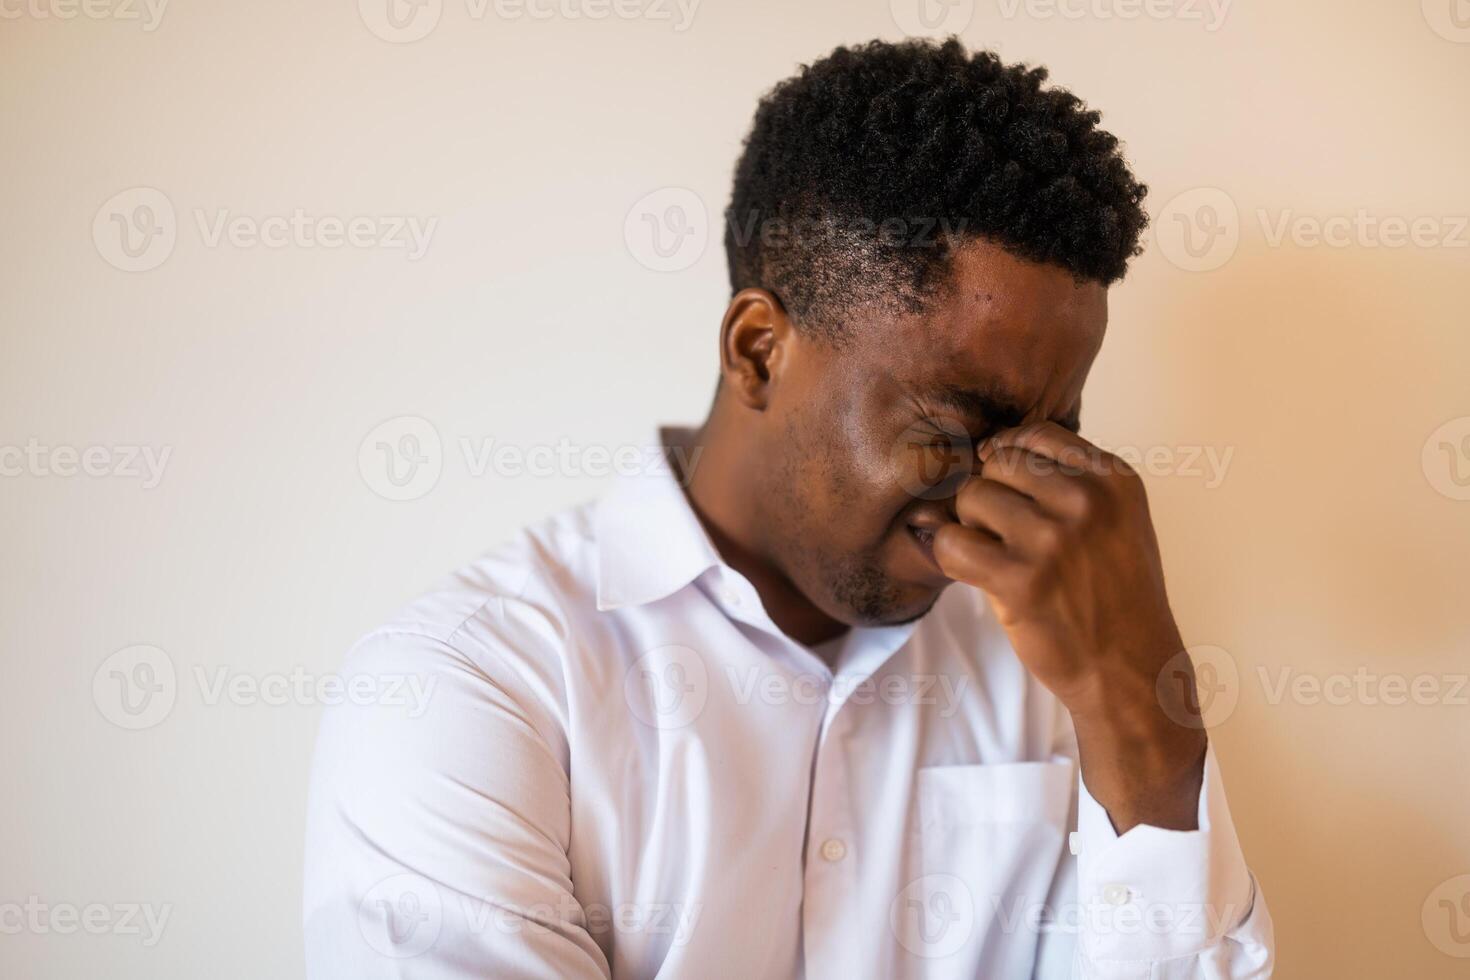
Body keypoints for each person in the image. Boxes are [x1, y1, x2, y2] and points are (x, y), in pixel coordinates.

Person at [304, 37, 1274, 978]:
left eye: (1056, 433)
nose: (1002, 492)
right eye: (951, 424)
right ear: (760, 349)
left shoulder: (1062, 666)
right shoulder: (469, 689)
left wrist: (1143, 708)